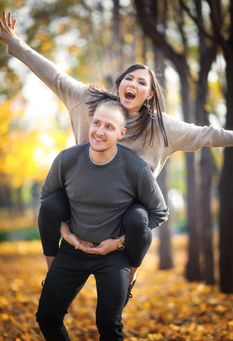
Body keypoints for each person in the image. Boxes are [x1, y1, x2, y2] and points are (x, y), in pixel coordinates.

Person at [1, 10, 233, 295]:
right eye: (129, 78)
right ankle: (54, 275)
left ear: (149, 95)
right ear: (120, 83)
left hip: (125, 211)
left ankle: (129, 281)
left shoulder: (162, 128)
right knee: (49, 206)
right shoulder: (89, 102)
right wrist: (15, 43)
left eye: (141, 83)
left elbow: (206, 134)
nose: (133, 84)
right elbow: (56, 77)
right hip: (83, 199)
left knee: (139, 219)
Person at [36, 99, 168, 341]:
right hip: (73, 249)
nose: (99, 131)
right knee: (46, 317)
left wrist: (118, 243)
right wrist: (68, 235)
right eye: (96, 123)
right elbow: (47, 201)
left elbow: (159, 212)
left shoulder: (135, 169)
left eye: (109, 126)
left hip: (113, 255)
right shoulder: (67, 160)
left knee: (109, 323)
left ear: (121, 133)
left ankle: (127, 281)